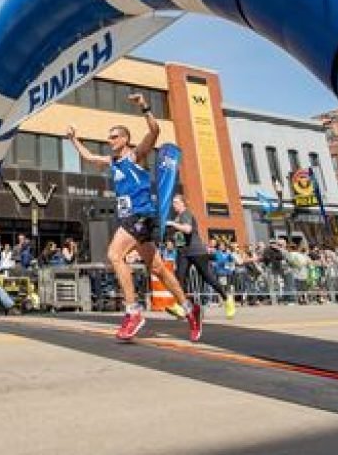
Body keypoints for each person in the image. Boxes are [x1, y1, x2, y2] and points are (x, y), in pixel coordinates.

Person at [67, 92, 198, 341]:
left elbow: (155, 130)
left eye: (114, 136)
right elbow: (89, 157)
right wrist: (74, 139)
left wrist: (144, 106)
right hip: (130, 218)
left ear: (125, 139)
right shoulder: (112, 161)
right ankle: (190, 308)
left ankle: (133, 311)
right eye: (109, 137)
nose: (109, 140)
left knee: (115, 255)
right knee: (158, 268)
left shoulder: (135, 155)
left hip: (141, 214)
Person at [165, 195, 236, 319]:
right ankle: (181, 307)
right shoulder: (177, 218)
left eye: (176, 202)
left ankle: (227, 299)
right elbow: (178, 237)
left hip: (196, 251)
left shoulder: (186, 214)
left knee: (208, 278)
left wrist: (172, 224)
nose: (173, 204)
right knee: (179, 279)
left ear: (183, 203)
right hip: (183, 253)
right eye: (173, 202)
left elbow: (188, 229)